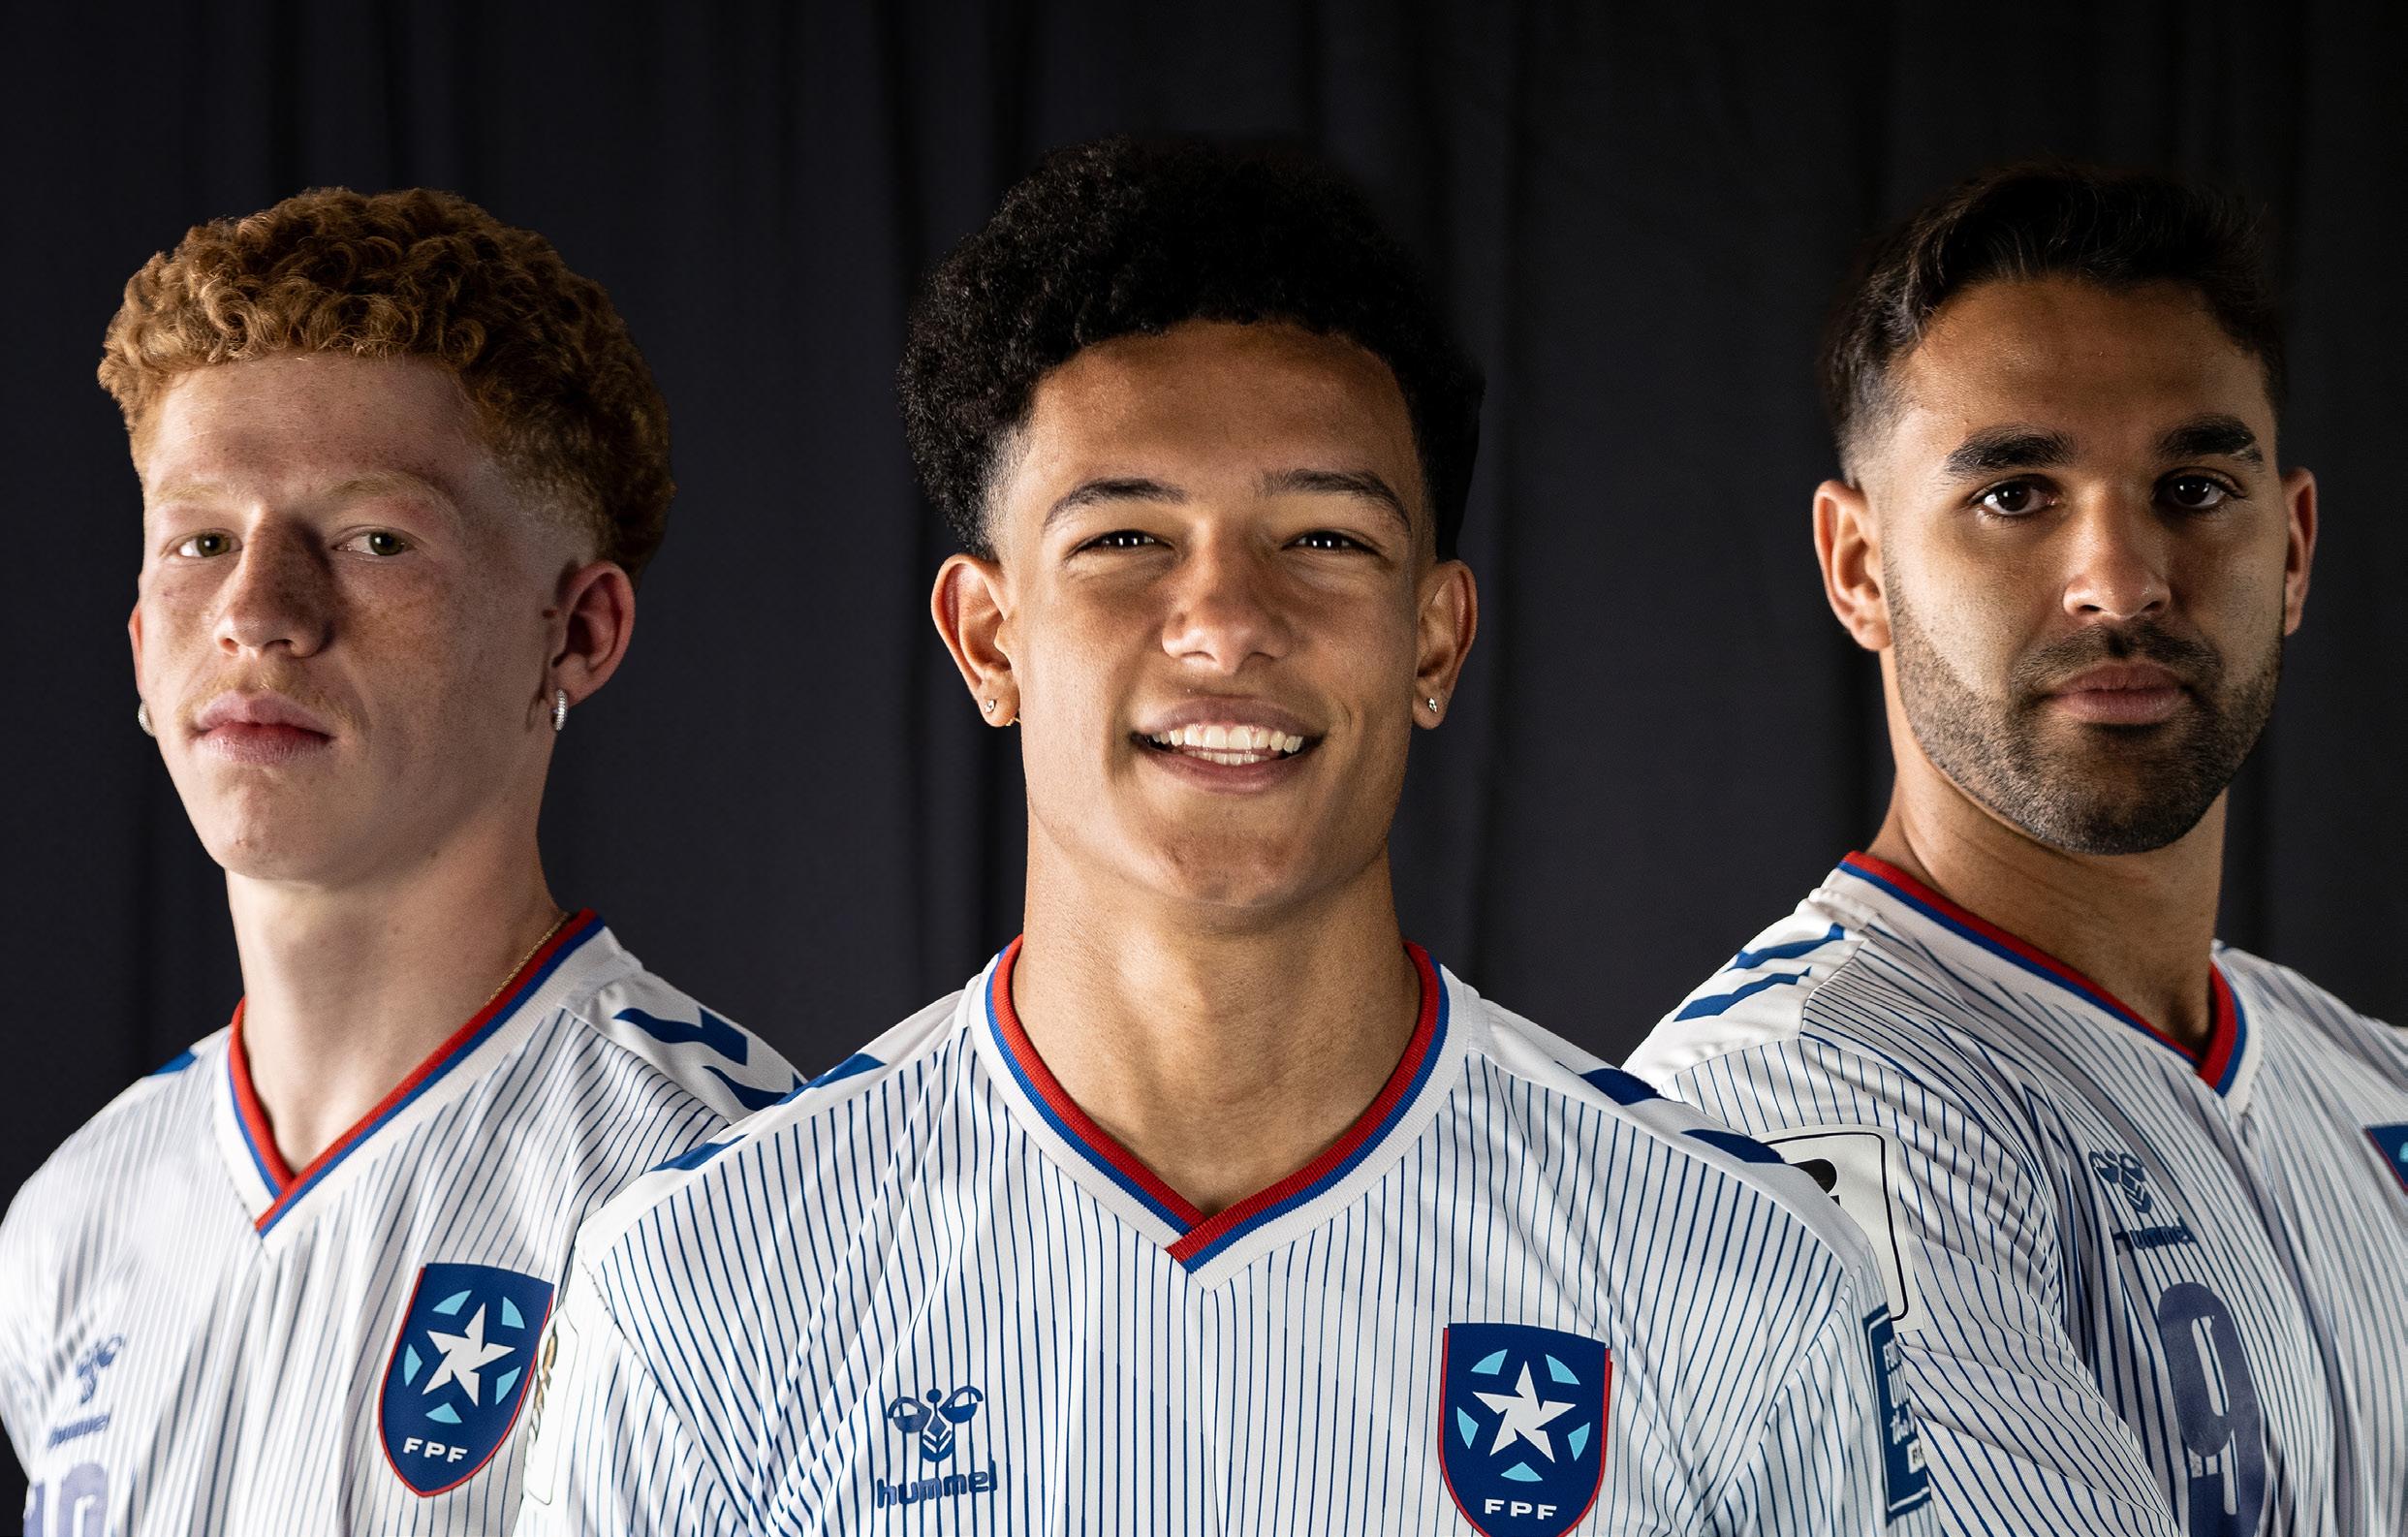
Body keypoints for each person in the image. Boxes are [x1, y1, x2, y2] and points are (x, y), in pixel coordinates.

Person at [514, 136, 1930, 1536]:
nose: (1228, 622)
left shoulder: (1742, 1273)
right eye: (1125, 540)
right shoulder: (702, 1287)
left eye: (1324, 539)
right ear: (989, 639)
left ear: (1434, 641)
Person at [0, 188, 798, 1535]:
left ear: (578, 633)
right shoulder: (74, 1221)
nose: (258, 612)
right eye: (201, 541)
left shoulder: (741, 1191)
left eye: (374, 539)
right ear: (140, 641)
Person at [1628, 164, 2407, 1535]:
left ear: (2291, 551)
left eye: (2191, 486)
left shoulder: (2371, 1082)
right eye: (2015, 495)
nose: (2121, 580)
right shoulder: (1778, 1112)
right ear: (1858, 566)